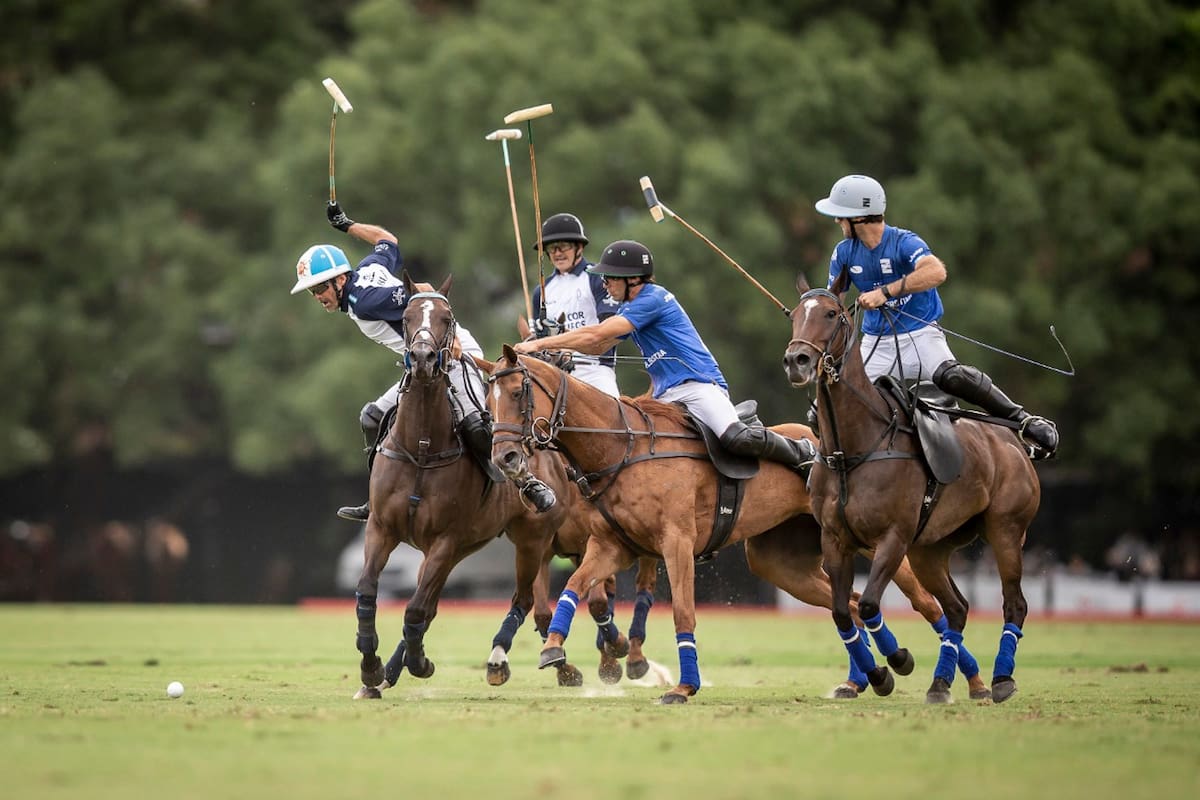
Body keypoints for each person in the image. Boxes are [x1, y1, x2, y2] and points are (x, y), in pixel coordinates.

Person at [290, 201, 557, 520]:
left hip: (453, 357)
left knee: (474, 425)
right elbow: (386, 239)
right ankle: (377, 497)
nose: (318, 296)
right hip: (420, 365)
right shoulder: (366, 270)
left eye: (320, 287)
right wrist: (347, 225)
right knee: (371, 418)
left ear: (340, 280)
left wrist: (453, 341)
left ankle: (527, 482)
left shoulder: (364, 301)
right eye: (312, 291)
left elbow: (426, 294)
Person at [513, 240, 815, 491]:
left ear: (633, 279)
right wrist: (552, 353)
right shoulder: (630, 307)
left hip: (698, 384)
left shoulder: (652, 299)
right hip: (664, 395)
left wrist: (538, 344)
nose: (604, 283)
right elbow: (598, 346)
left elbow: (597, 333)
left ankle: (803, 453)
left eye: (611, 277)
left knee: (734, 437)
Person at [814, 174, 1059, 459]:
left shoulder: (904, 242)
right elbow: (833, 302)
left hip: (921, 335)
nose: (836, 221)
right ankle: (827, 461)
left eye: (841, 216)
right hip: (876, 343)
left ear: (859, 219)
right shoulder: (844, 252)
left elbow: (936, 272)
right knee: (833, 400)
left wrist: (885, 293)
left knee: (952, 377)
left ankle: (1024, 421)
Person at [526, 213, 620, 397]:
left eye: (564, 246)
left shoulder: (597, 278)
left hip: (594, 371)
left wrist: (570, 346)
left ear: (579, 247)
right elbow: (539, 340)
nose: (558, 253)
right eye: (552, 248)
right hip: (555, 375)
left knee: (615, 421)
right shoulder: (542, 291)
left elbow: (610, 328)